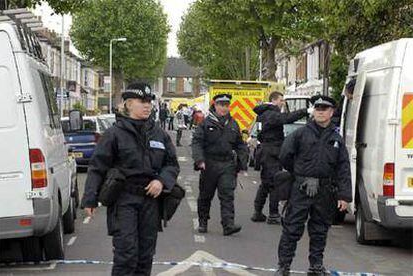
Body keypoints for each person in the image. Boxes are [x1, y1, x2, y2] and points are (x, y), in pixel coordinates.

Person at [81, 82, 180, 276]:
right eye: (142, 101)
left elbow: (172, 164)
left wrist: (161, 181)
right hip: (124, 200)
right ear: (128, 104)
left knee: (145, 257)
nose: (147, 106)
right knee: (126, 255)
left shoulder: (159, 134)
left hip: (150, 201)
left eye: (149, 101)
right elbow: (97, 167)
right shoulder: (114, 134)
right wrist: (90, 198)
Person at [275, 95, 352, 275]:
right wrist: (301, 175)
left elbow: (343, 168)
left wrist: (344, 196)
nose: (320, 112)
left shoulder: (336, 139)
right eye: (317, 108)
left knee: (319, 230)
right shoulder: (300, 134)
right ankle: (283, 266)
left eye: (324, 109)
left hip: (325, 190)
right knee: (292, 228)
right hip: (302, 189)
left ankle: (315, 266)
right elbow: (285, 155)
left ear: (331, 112)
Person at [192, 94, 248, 236]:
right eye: (221, 105)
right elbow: (197, 142)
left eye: (226, 105)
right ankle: (203, 221)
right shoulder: (205, 123)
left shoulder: (233, 124)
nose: (224, 108)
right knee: (205, 195)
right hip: (209, 164)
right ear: (215, 106)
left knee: (227, 195)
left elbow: (240, 145)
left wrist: (242, 164)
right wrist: (200, 160)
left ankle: (228, 224)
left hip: (227, 164)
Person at [251, 91, 309, 224]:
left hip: (267, 151)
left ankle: (258, 211)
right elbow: (287, 118)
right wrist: (305, 111)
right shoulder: (271, 113)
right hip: (271, 151)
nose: (283, 103)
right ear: (274, 100)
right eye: (281, 100)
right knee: (274, 183)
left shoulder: (264, 113)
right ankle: (273, 214)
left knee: (266, 183)